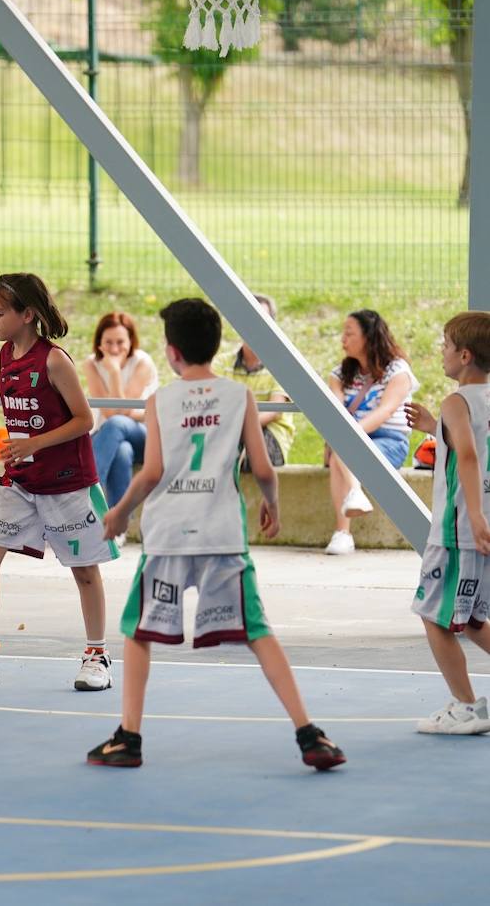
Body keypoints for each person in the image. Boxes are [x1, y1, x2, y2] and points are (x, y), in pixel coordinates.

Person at [91, 298, 346, 771]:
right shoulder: (239, 396)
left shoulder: (160, 400)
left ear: (171, 352)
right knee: (258, 630)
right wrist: (272, 503)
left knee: (138, 632)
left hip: (169, 533)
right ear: (215, 345)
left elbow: (151, 473)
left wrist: (120, 511)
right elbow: (264, 467)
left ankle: (129, 735)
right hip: (222, 531)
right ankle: (308, 732)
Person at [0, 273, 117, 692]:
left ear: (27, 314)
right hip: (21, 479)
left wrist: (35, 441)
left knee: (85, 571)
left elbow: (85, 421)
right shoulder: (5, 354)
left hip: (68, 482)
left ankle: (98, 655)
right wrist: (19, 445)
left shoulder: (54, 360)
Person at [404, 312, 490, 735]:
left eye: (445, 346)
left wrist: (473, 515)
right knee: (472, 620)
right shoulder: (483, 402)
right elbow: (471, 442)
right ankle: (469, 706)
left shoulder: (456, 402)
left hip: (458, 532)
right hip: (480, 529)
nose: (441, 352)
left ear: (465, 355)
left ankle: (467, 707)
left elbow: (469, 455)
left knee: (433, 615)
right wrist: (431, 426)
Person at [324, 309, 418, 555]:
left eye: (349, 334)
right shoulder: (339, 374)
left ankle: (344, 530)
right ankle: (344, 528)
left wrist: (348, 435)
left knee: (342, 448)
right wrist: (347, 435)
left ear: (369, 337)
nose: (343, 340)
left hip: (389, 441)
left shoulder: (398, 371)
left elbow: (385, 411)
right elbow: (336, 410)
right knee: (340, 452)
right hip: (349, 442)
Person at [83, 312, 159, 510]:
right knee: (122, 452)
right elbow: (113, 412)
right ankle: (118, 525)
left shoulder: (142, 362)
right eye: (108, 342)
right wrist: (134, 413)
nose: (114, 349)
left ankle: (86, 496)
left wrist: (115, 372)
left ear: (131, 341)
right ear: (99, 342)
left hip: (144, 436)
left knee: (117, 424)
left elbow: (118, 412)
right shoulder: (91, 364)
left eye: (120, 342)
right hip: (106, 435)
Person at [217, 293, 293, 470]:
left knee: (253, 455)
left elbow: (273, 411)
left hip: (269, 432)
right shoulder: (222, 363)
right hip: (229, 429)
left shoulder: (282, 363)